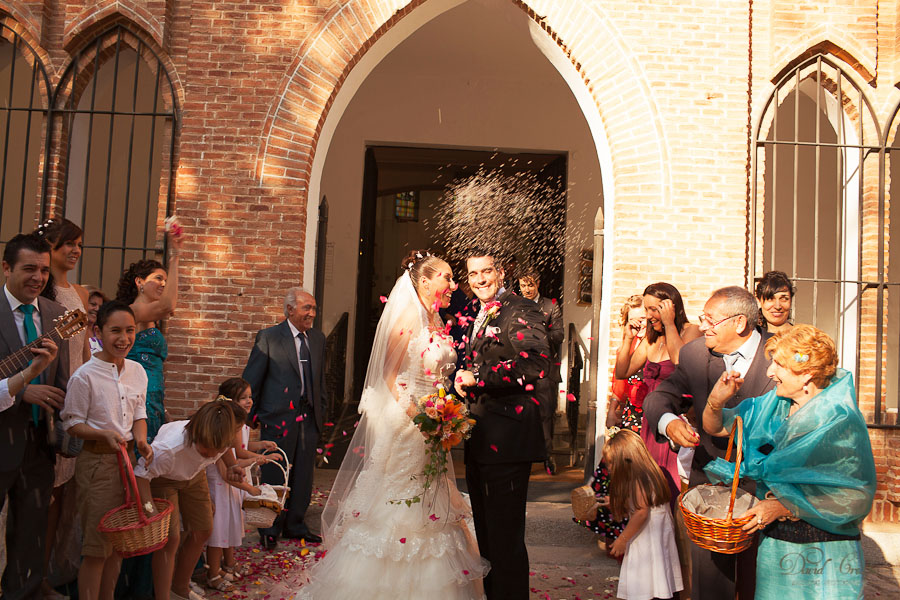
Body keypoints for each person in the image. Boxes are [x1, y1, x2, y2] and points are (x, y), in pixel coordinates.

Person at [294, 250, 487, 599]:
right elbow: (390, 375)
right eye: (445, 276)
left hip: (435, 421)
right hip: (410, 424)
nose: (452, 283)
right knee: (401, 505)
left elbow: (437, 374)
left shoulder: (437, 320)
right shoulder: (408, 318)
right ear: (424, 281)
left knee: (438, 504)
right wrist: (422, 418)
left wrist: (448, 402)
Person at [702, 324, 875, 599]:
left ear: (806, 374)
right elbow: (718, 427)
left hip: (827, 553)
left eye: (779, 365)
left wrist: (784, 505)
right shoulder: (773, 404)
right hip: (778, 548)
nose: (770, 373)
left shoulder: (841, 421)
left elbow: (854, 497)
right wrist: (715, 401)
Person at [644, 286, 776, 600]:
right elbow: (659, 398)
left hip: (769, 491)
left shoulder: (780, 352)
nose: (702, 326)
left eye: (710, 320)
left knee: (762, 584)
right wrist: (669, 422)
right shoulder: (695, 354)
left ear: (740, 323)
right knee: (711, 586)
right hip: (712, 493)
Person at [455, 250, 549, 599]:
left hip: (508, 442)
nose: (480, 279)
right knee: (488, 536)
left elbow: (534, 364)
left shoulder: (520, 308)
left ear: (501, 272)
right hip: (482, 439)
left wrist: (477, 376)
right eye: (473, 273)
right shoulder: (480, 312)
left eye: (486, 271)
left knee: (505, 539)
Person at [60, 301, 152, 600]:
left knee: (118, 546)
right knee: (97, 547)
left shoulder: (138, 371)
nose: (123, 338)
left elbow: (140, 413)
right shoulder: (84, 376)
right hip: (97, 464)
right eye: (115, 331)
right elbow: (72, 423)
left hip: (127, 463)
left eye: (129, 330)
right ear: (98, 332)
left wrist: (141, 441)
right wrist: (104, 434)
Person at [0, 232, 71, 599]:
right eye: (29, 268)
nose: (38, 277)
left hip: (39, 439)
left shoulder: (56, 314)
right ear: (6, 267)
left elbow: (61, 378)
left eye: (44, 270)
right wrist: (23, 389)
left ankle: (22, 592)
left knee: (31, 528)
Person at [133, 399, 245, 600]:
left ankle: (180, 588)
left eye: (216, 450)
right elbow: (141, 475)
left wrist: (232, 465)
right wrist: (150, 510)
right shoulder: (167, 450)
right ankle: (163, 596)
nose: (211, 454)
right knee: (170, 538)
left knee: (203, 528)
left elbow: (225, 448)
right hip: (164, 480)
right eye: (205, 450)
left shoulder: (219, 438)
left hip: (194, 476)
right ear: (197, 436)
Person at [242, 287, 326, 549]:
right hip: (277, 417)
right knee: (275, 472)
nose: (312, 313)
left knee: (303, 475)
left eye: (313, 308)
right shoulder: (269, 337)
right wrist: (251, 416)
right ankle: (270, 527)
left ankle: (296, 525)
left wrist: (321, 411)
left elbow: (320, 380)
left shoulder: (318, 339)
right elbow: (252, 379)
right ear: (290, 309)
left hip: (309, 417)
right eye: (306, 308)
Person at [35, 217, 92, 598]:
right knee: (43, 494)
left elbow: (86, 349)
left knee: (62, 496)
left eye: (78, 244)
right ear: (49, 249)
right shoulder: (41, 293)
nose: (73, 251)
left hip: (75, 394)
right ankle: (29, 573)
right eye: (66, 245)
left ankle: (49, 571)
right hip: (46, 393)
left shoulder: (81, 294)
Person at [615, 282, 701, 503]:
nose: (649, 315)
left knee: (669, 484)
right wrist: (628, 338)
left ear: (670, 307)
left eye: (654, 309)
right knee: (647, 486)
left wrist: (670, 324)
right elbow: (623, 371)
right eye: (647, 309)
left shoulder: (691, 331)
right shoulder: (650, 339)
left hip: (675, 420)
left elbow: (681, 361)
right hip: (649, 422)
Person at [204, 379, 278, 591]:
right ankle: (214, 572)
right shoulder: (228, 426)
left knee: (229, 524)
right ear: (231, 401)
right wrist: (259, 459)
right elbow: (236, 457)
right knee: (219, 528)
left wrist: (260, 447)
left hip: (232, 478)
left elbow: (242, 448)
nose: (249, 401)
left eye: (249, 396)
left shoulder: (240, 423)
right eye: (243, 397)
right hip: (222, 482)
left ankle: (227, 564)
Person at [603, 429, 682, 600]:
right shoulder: (647, 471)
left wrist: (622, 540)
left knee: (645, 581)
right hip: (657, 534)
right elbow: (644, 503)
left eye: (611, 463)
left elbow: (641, 512)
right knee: (657, 578)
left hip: (647, 536)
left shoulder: (638, 478)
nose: (609, 468)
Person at [518, 267, 563, 475]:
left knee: (545, 414)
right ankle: (522, 457)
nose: (527, 289)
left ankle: (548, 456)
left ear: (538, 284)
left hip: (545, 367)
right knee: (522, 414)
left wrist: (538, 333)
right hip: (520, 367)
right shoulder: (513, 305)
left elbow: (559, 334)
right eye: (523, 285)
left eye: (530, 285)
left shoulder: (550, 305)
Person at [608, 295, 646, 433]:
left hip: (653, 414)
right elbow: (619, 385)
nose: (639, 324)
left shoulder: (659, 344)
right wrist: (612, 411)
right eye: (633, 320)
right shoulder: (627, 347)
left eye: (642, 319)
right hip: (633, 415)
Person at [84, 287, 108, 354]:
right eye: (93, 304)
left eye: (100, 307)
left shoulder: (102, 333)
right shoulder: (74, 332)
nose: (97, 309)